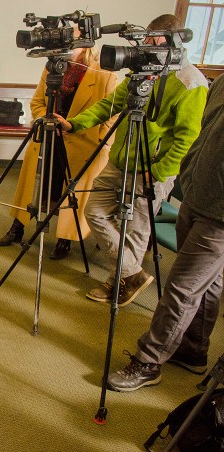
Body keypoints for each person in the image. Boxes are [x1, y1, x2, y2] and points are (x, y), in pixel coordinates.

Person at [55, 14, 208, 305]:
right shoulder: (143, 72)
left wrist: (160, 171)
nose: (146, 44)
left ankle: (119, 284)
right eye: (146, 37)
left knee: (136, 231)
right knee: (94, 211)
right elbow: (107, 106)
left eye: (153, 39)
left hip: (151, 170)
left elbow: (188, 138)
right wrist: (75, 123)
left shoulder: (191, 82)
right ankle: (132, 273)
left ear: (173, 41)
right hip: (120, 160)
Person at [105, 73, 223, 392]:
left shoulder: (192, 83)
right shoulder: (222, 82)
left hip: (220, 215)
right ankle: (193, 350)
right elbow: (202, 135)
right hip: (198, 195)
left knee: (182, 287)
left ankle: (149, 360)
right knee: (208, 285)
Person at [0, 38, 117, 260]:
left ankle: (65, 239)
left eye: (72, 43)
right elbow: (37, 103)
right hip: (48, 138)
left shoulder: (104, 75)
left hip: (83, 144)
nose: (67, 48)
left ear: (87, 46)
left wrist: (100, 141)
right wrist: (50, 121)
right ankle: (18, 227)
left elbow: (111, 114)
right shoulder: (53, 68)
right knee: (34, 187)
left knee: (70, 193)